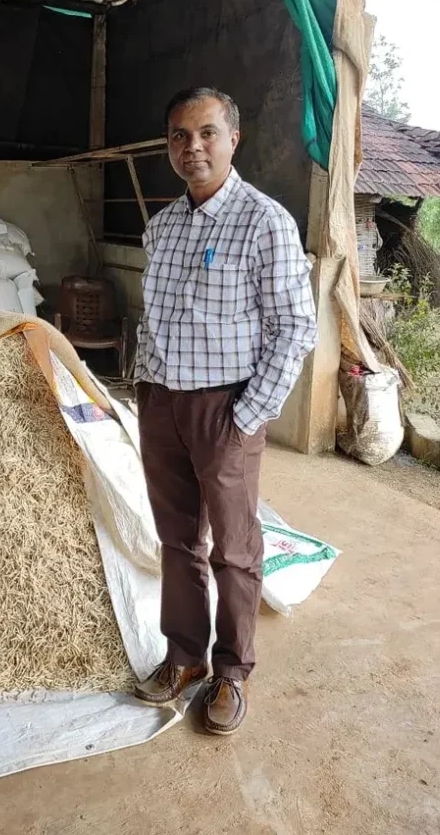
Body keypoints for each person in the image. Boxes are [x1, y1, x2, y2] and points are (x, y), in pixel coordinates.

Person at [133, 86, 317, 735]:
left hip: (225, 407)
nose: (194, 148)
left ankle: (231, 672)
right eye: (180, 137)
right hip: (162, 403)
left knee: (234, 550)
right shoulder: (162, 227)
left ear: (234, 139)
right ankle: (184, 655)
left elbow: (296, 326)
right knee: (178, 540)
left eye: (207, 133)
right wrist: (144, 390)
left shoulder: (265, 222)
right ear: (169, 147)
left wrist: (247, 416)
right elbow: (154, 321)